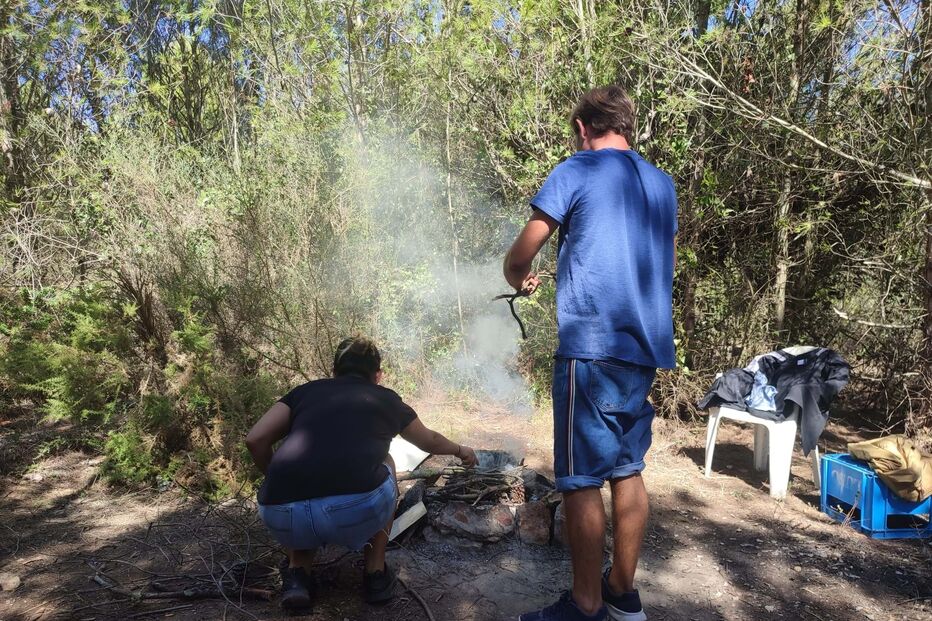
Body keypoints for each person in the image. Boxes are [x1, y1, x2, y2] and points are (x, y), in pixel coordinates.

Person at [504, 85, 677, 621]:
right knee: (627, 468)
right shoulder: (662, 184)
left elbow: (523, 250)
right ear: (626, 126)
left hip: (591, 349)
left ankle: (585, 604)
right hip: (644, 349)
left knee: (579, 479)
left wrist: (518, 277)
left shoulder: (576, 170)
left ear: (584, 128)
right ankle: (622, 591)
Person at [245, 336, 477, 609]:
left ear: (334, 371)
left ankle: (298, 577)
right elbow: (430, 441)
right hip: (353, 511)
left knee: (301, 483)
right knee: (387, 461)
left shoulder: (303, 392)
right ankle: (375, 574)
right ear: (377, 375)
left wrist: (277, 479)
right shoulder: (386, 398)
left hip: (279, 513)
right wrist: (462, 450)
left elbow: (255, 439)